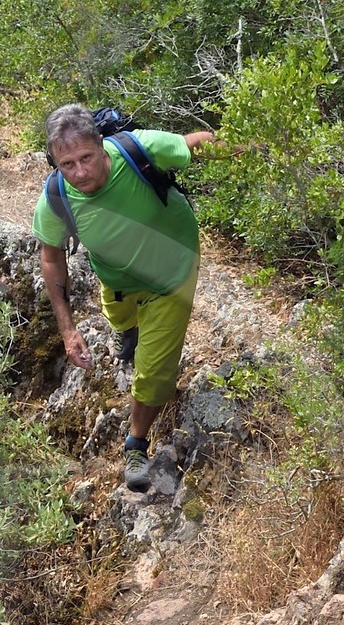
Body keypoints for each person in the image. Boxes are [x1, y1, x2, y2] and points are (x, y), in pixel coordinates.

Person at [32, 104, 215, 490]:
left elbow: (196, 143)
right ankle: (125, 329)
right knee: (119, 317)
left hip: (172, 276)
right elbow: (51, 258)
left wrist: (257, 150)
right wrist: (68, 330)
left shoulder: (138, 150)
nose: (80, 172)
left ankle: (136, 442)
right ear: (54, 163)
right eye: (67, 164)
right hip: (117, 282)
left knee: (152, 370)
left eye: (86, 158)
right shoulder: (55, 198)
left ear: (102, 146)